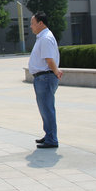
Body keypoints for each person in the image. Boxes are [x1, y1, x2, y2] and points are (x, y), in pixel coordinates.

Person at [28, 12, 63, 149]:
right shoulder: (42, 37)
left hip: (45, 78)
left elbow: (49, 59)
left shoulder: (45, 38)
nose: (31, 26)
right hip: (42, 78)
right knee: (45, 109)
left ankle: (52, 139)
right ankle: (49, 135)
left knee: (47, 109)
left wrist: (56, 71)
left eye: (32, 23)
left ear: (40, 23)